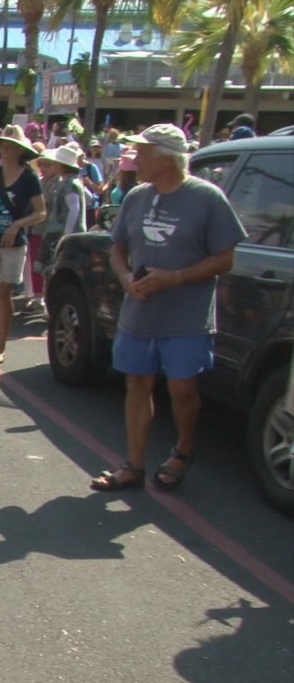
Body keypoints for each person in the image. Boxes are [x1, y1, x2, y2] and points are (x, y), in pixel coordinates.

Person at [90, 124, 245, 492]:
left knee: (181, 389)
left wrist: (174, 278)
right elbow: (118, 249)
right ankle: (133, 465)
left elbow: (225, 259)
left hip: (186, 316)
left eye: (142, 153)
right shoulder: (136, 197)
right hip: (140, 313)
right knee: (137, 383)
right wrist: (127, 279)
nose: (134, 160)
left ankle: (184, 448)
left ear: (165, 158)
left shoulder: (206, 198)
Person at [0, 125, 46, 365]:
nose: (4, 151)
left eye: (9, 146)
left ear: (19, 150)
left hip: (15, 245)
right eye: (2, 146)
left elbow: (41, 212)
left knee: (4, 295)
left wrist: (17, 225)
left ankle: (1, 345)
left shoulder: (29, 179)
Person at [34, 145, 87, 303]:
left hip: (61, 234)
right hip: (56, 232)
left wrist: (66, 235)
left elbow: (74, 210)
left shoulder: (70, 184)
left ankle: (53, 303)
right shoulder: (70, 182)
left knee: (56, 269)